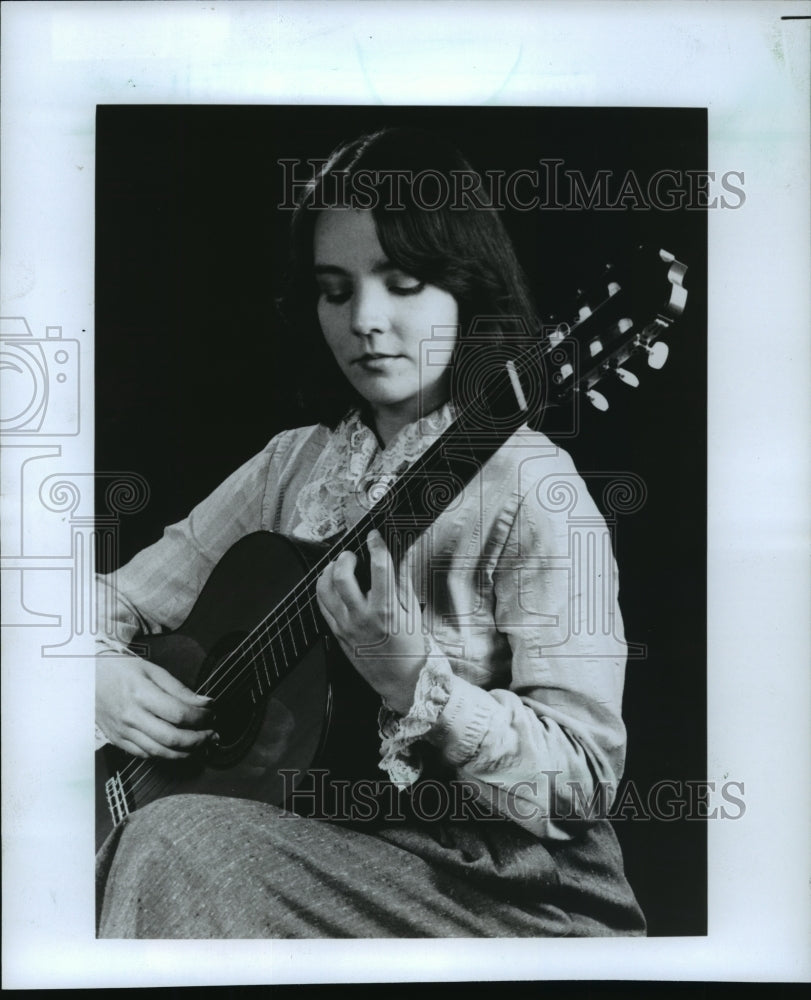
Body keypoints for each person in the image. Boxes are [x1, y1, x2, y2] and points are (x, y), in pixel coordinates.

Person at [94, 127, 646, 938]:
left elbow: (584, 778)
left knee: (177, 840)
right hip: (307, 849)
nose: (366, 320)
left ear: (466, 287)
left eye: (404, 281)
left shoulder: (533, 484)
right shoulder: (293, 465)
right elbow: (99, 606)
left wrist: (414, 681)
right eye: (335, 289)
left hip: (497, 885)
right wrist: (96, 678)